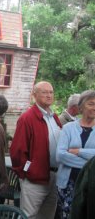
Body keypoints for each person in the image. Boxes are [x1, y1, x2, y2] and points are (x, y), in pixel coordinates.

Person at [10, 81, 62, 219]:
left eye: (51, 92)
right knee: (29, 216)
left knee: (47, 216)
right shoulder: (27, 118)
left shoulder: (54, 117)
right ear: (34, 95)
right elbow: (17, 151)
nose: (49, 95)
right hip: (35, 179)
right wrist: (28, 171)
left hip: (55, 177)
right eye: (44, 92)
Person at [56, 90, 95, 218]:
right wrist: (90, 161)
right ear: (81, 107)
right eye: (91, 104)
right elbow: (60, 155)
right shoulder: (68, 128)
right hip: (68, 184)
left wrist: (78, 151)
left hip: (92, 186)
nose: (94, 107)